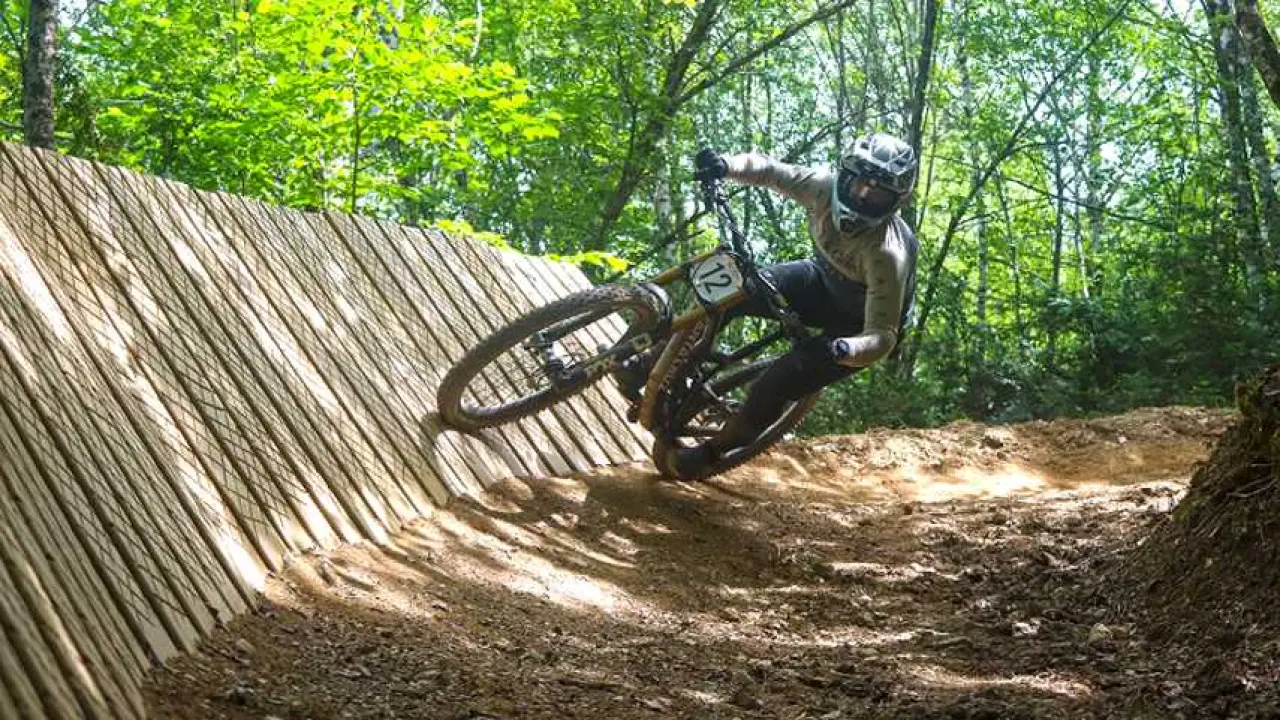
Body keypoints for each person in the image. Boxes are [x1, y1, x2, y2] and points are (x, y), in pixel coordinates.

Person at [664, 132, 922, 478]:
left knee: (774, 384)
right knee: (736, 289)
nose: (863, 194)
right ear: (844, 174)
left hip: (858, 327)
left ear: (896, 201)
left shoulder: (887, 254)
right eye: (859, 181)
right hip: (823, 281)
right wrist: (725, 165)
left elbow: (882, 336)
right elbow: (770, 171)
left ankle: (714, 451)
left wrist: (846, 349)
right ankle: (661, 365)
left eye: (877, 192)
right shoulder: (822, 187)